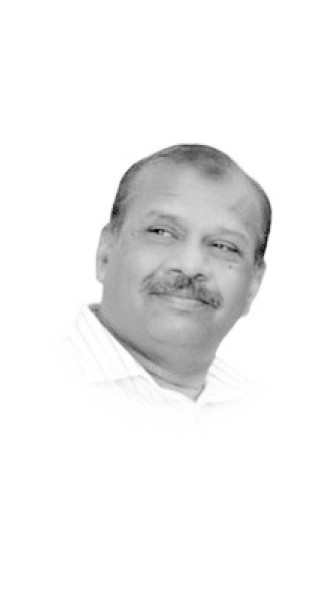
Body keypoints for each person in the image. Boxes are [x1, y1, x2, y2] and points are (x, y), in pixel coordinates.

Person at [55, 144, 271, 423]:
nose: (191, 265)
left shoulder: (276, 420)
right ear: (105, 253)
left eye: (223, 246)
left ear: (253, 284)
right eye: (162, 232)